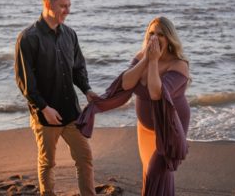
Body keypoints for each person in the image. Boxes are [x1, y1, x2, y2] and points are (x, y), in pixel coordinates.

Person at [77, 16, 191, 196]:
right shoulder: (141, 57)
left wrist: (153, 61)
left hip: (170, 128)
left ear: (170, 38)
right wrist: (146, 59)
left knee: (156, 170)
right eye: (151, 33)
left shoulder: (179, 65)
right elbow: (127, 83)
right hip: (145, 129)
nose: (155, 37)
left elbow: (156, 93)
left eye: (161, 34)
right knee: (149, 171)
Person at [14, 0, 101, 196]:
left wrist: (87, 90)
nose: (67, 11)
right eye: (63, 6)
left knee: (85, 158)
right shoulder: (28, 38)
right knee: (48, 163)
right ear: (47, 4)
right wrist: (44, 108)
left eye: (69, 6)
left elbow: (78, 68)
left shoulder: (70, 34)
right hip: (46, 117)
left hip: (71, 112)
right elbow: (25, 82)